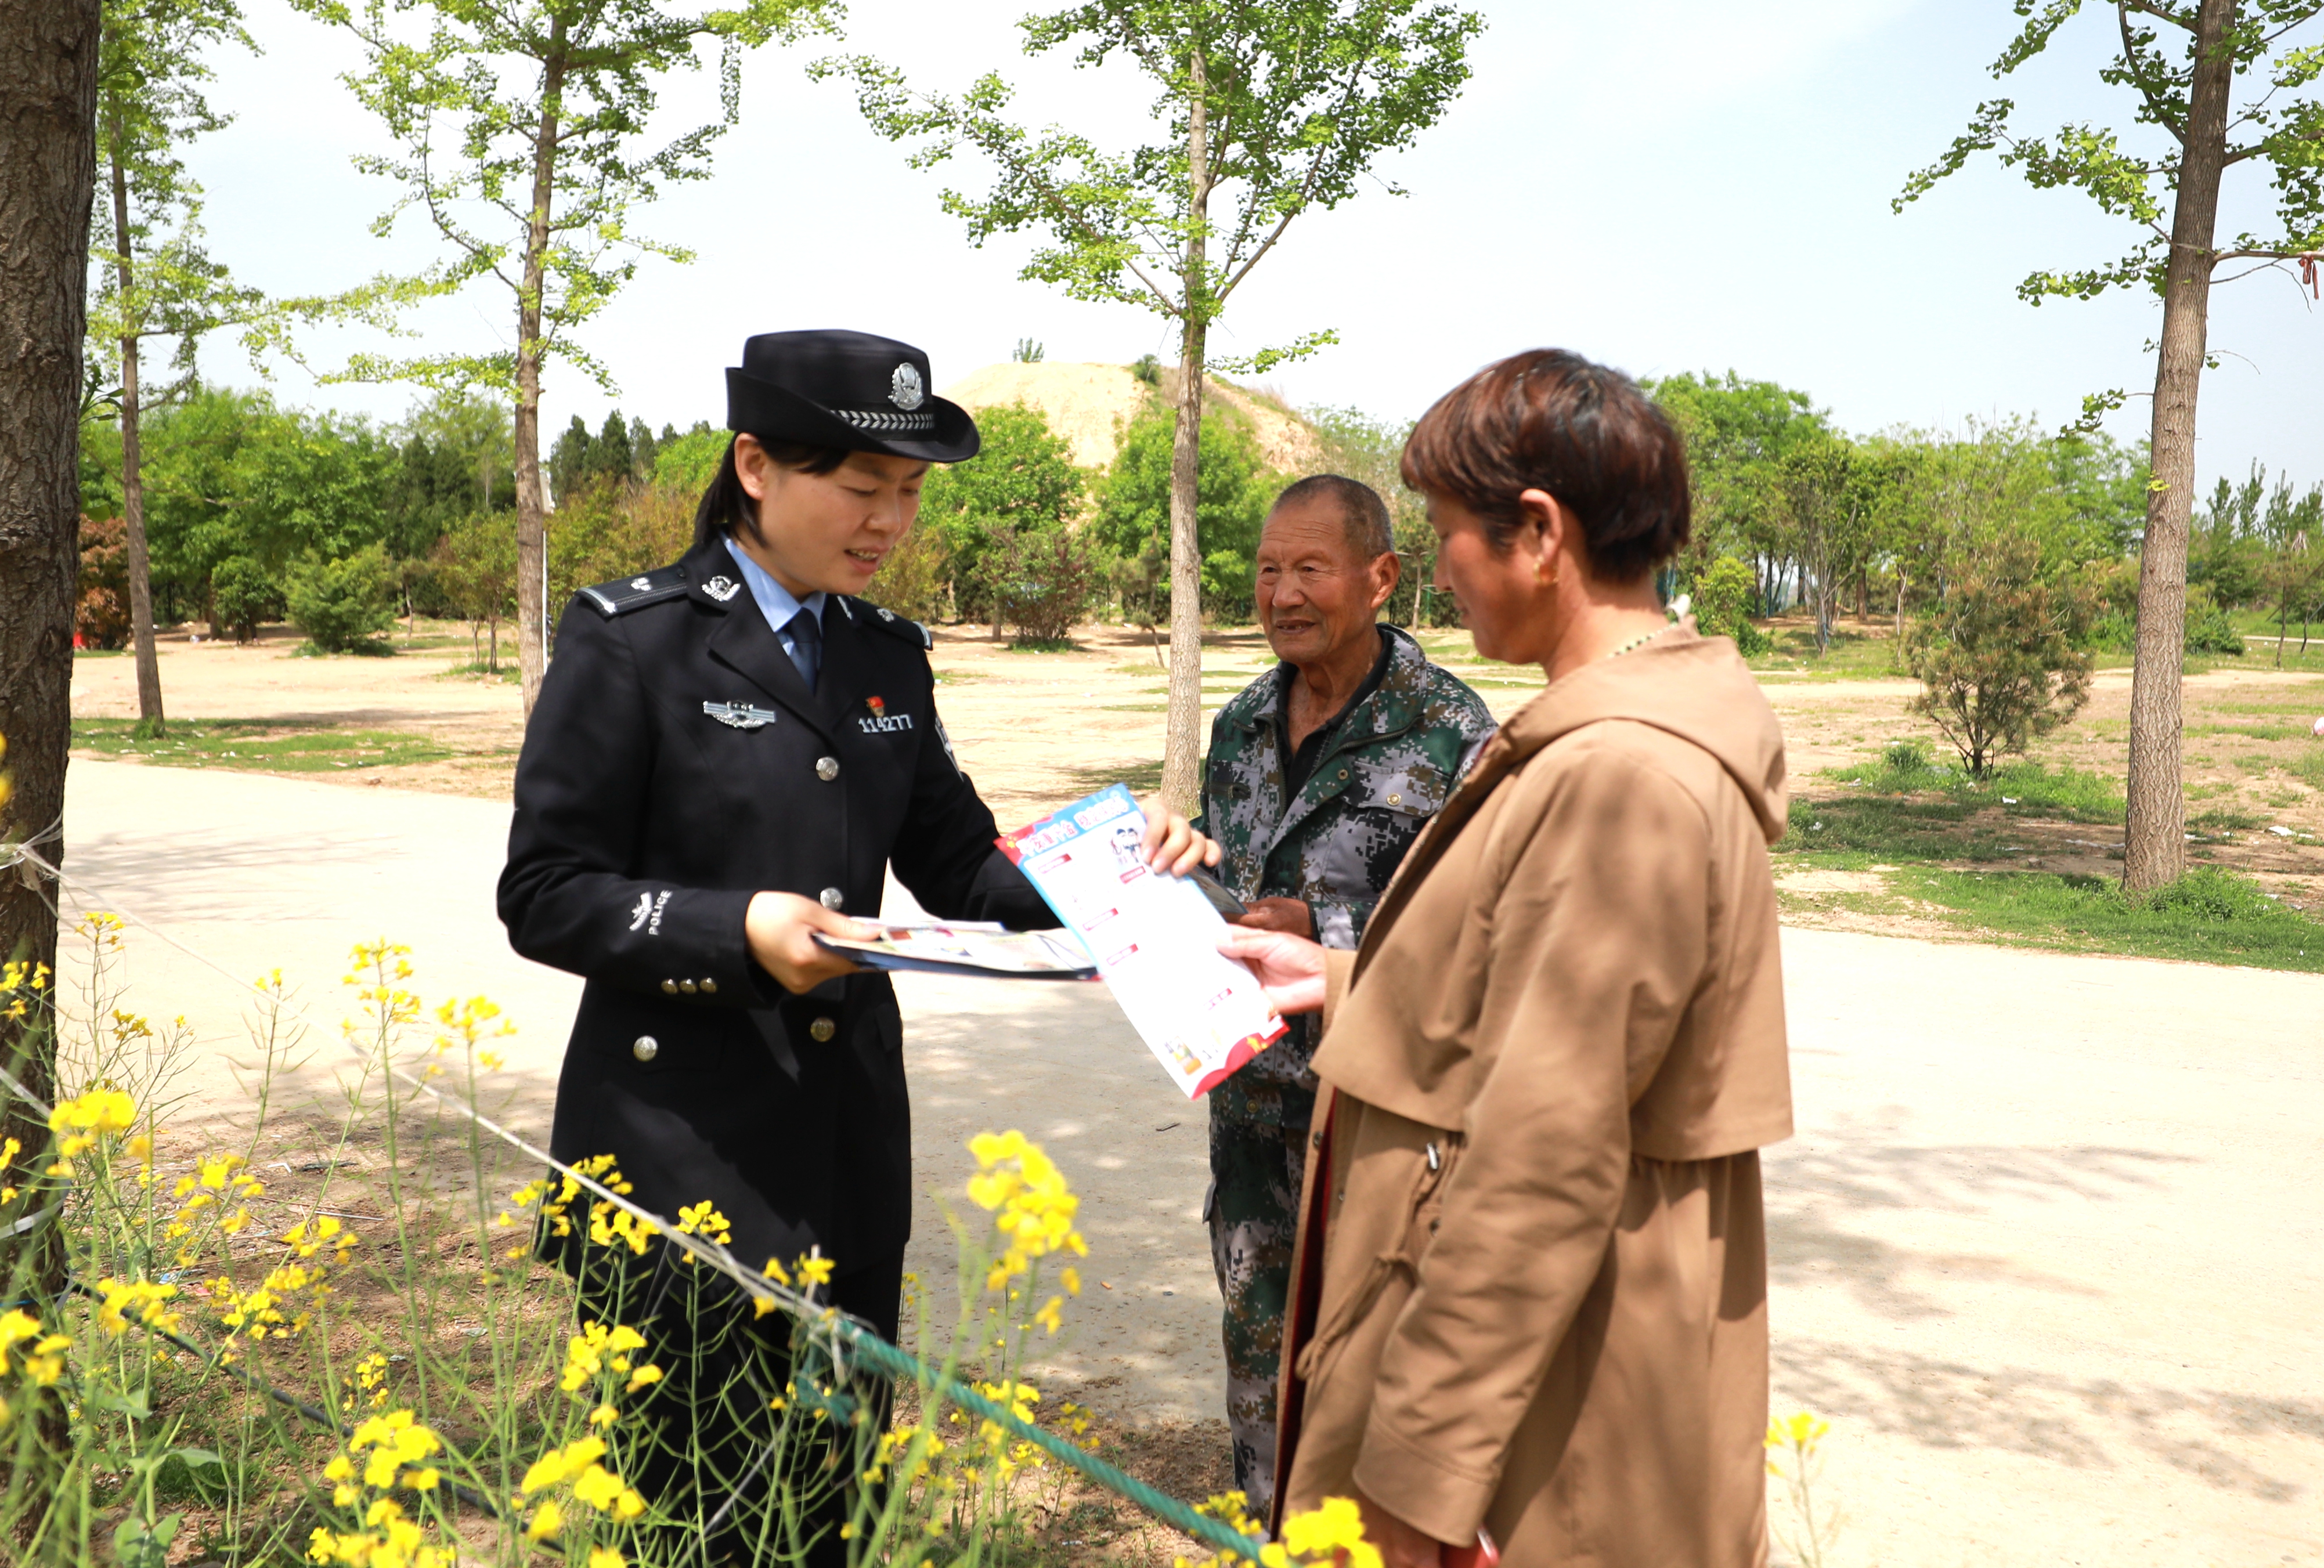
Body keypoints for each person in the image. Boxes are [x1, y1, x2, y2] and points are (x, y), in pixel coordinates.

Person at [497, 329, 1217, 1566]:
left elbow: (959, 867)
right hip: (676, 1165)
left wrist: (1113, 862)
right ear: (757, 465)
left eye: (909, 493)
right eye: (862, 487)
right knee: (697, 1517)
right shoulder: (635, 639)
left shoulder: (884, 656)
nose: (890, 520)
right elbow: (546, 891)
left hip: (844, 1153)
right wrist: (740, 933)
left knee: (827, 1504)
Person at [1222, 350, 1793, 1568]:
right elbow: (1520, 1016)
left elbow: (1545, 1154)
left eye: (1444, 535)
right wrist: (1332, 981)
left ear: (1536, 533)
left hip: (1552, 1429)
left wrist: (1418, 1484)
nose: (1438, 571)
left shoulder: (1617, 778)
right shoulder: (1606, 746)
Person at [1193, 473, 1492, 1518]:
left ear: (1380, 579)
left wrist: (1318, 942)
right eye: (1268, 569)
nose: (1282, 593)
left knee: (1374, 1396)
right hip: (1251, 1121)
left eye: (1310, 568)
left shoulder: (1453, 736)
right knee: (1261, 1386)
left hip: (1378, 1125)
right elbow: (1220, 889)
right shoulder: (1237, 725)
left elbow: (1476, 946)